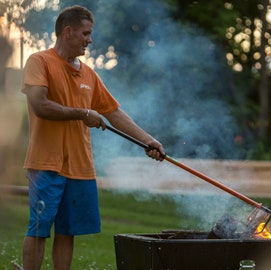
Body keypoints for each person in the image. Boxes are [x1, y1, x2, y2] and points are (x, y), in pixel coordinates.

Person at [21, 5, 165, 270]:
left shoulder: (89, 74)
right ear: (68, 32)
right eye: (86, 34)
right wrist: (83, 113)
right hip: (46, 164)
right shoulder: (39, 61)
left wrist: (148, 140)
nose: (90, 39)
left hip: (80, 167)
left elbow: (114, 113)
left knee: (67, 231)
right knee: (40, 228)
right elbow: (40, 106)